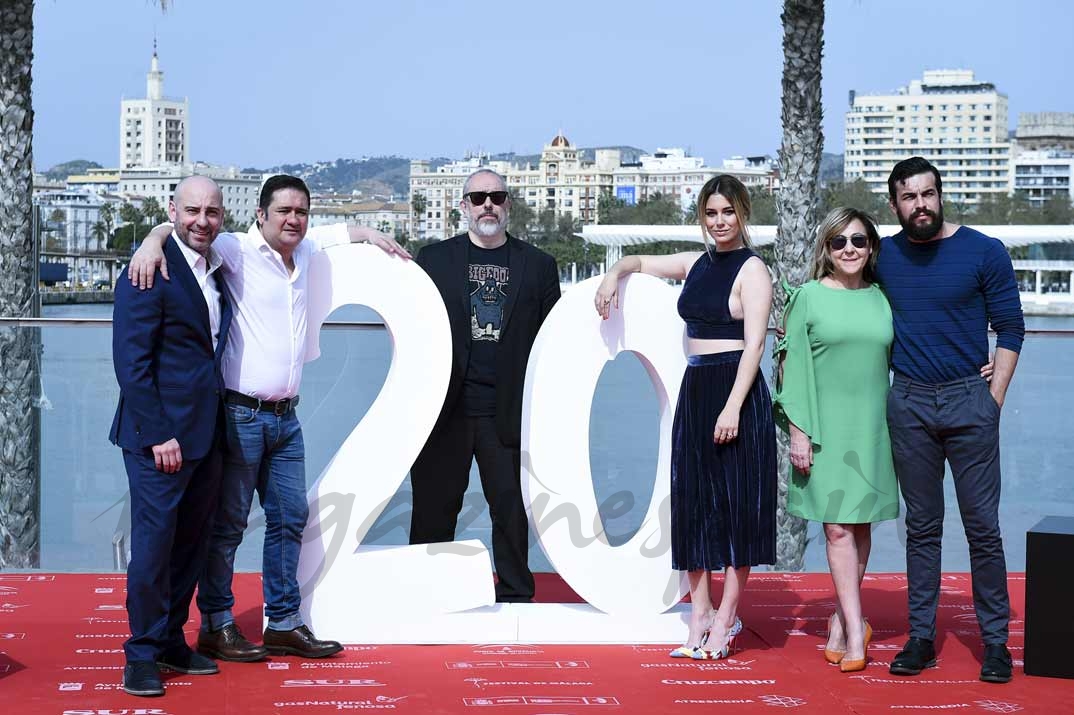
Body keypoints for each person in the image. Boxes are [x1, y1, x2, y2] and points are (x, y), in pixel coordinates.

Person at [129, 174, 409, 661]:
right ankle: (216, 623)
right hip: (240, 415)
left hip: (287, 420)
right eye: (283, 211)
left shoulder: (305, 251)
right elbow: (185, 226)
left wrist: (368, 234)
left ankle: (282, 621)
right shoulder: (235, 250)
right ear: (261, 215)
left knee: (289, 520)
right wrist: (151, 241)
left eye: (301, 211)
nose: (293, 219)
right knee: (229, 525)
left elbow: (338, 236)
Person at [595, 174, 776, 660]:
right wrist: (615, 274)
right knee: (694, 505)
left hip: (735, 389)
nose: (720, 222)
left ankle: (728, 617)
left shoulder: (753, 270)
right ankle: (700, 612)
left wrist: (734, 406)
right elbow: (639, 260)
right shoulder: (695, 263)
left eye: (728, 212)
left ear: (743, 214)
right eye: (711, 213)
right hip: (696, 387)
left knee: (738, 507)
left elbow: (756, 344)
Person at [879, 157, 1024, 684]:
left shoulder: (984, 252)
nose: (922, 205)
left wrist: (993, 398)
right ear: (894, 204)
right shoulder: (882, 255)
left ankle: (995, 645)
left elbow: (1010, 329)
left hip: (971, 401)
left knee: (983, 528)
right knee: (922, 528)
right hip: (909, 402)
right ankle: (920, 638)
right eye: (910, 197)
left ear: (941, 195)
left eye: (928, 194)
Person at [409, 168, 560, 603]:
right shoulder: (434, 260)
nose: (487, 205)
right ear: (464, 207)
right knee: (435, 510)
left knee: (511, 511)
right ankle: (426, 594)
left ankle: (515, 594)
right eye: (478, 198)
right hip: (446, 411)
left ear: (508, 203)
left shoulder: (538, 266)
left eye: (496, 196)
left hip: (508, 412)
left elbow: (554, 341)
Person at [110, 176, 232, 696]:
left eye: (211, 211)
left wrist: (156, 232)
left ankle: (170, 642)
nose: (201, 220)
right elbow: (131, 363)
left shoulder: (217, 268)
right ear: (173, 210)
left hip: (206, 436)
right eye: (191, 211)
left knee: (190, 547)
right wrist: (160, 433)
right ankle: (139, 654)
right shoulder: (147, 270)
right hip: (157, 438)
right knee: (154, 549)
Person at [773, 207, 897, 673]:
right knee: (837, 527)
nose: (849, 250)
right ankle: (855, 627)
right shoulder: (806, 296)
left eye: (859, 241)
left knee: (861, 525)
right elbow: (792, 367)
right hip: (823, 429)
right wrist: (799, 433)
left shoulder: (883, 298)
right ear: (826, 248)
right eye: (839, 242)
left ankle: (843, 622)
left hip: (873, 428)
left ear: (871, 249)